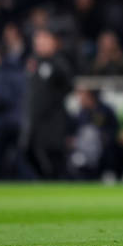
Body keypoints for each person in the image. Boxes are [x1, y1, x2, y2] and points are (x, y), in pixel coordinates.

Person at [25, 29, 73, 179]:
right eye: (38, 42)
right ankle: (46, 180)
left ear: (53, 43)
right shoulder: (34, 63)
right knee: (30, 152)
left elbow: (68, 85)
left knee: (55, 156)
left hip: (53, 121)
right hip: (36, 120)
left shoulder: (59, 62)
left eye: (43, 41)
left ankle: (62, 184)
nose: (39, 45)